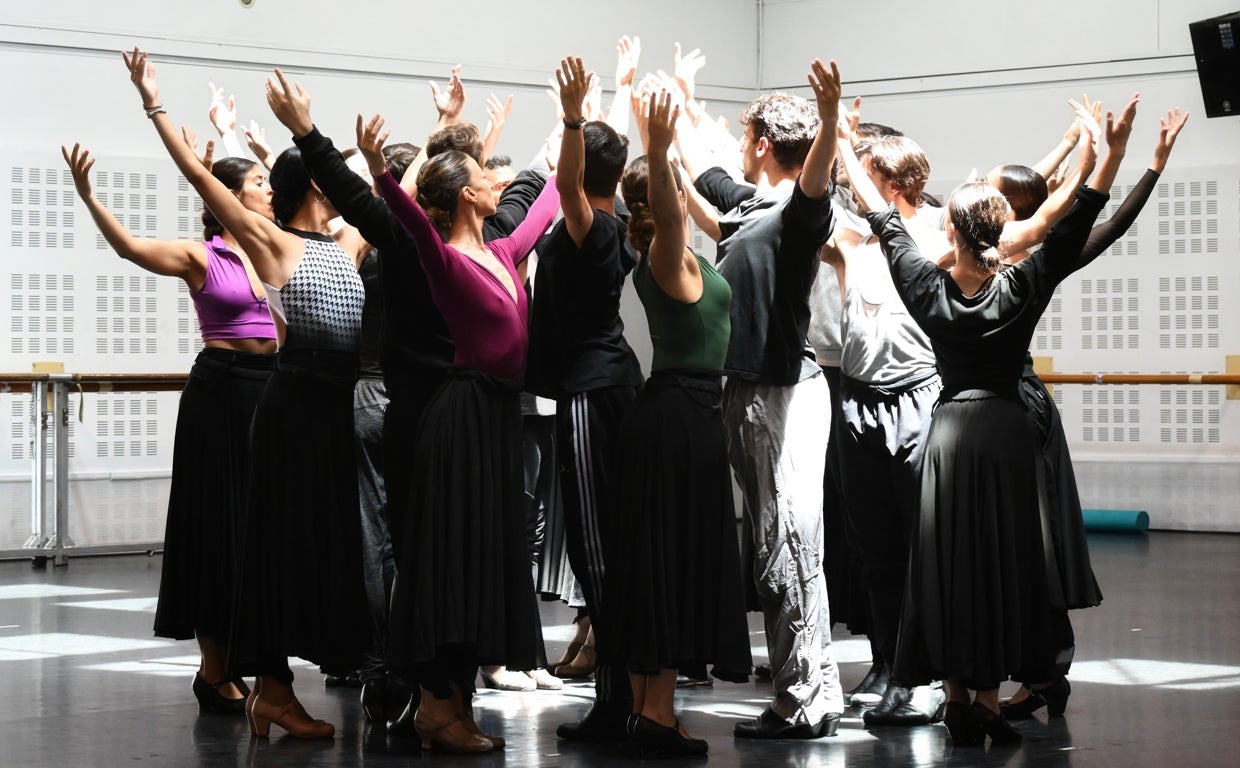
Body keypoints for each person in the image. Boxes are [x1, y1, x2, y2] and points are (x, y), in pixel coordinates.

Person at [846, 93, 1138, 747]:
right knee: (998, 564)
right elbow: (1077, 221)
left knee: (947, 562)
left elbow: (879, 214)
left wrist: (842, 138)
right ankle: (982, 698)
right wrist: (1109, 151)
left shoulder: (924, 287)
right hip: (1004, 431)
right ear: (1000, 232)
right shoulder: (1023, 284)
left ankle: (956, 698)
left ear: (949, 232)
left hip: (948, 433)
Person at [123, 47, 371, 739]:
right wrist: (154, 103)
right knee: (277, 552)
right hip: (290, 411)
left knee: (327, 553)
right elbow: (200, 175)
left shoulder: (347, 241)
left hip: (334, 416)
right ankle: (274, 691)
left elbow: (394, 201)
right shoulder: (271, 241)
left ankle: (301, 683)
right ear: (314, 187)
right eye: (331, 176)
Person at [358, 97, 561, 751]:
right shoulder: (441, 258)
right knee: (453, 560)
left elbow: (549, 201)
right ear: (467, 195)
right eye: (480, 174)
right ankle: (436, 709)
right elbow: (409, 219)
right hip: (461, 420)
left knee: (484, 562)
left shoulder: (502, 249)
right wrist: (378, 169)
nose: (491, 178)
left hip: (496, 418)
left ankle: (456, 704)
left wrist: (582, 121)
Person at [61, 144, 276, 716]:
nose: (271, 188)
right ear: (231, 194)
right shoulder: (200, 255)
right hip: (219, 390)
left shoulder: (273, 249)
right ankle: (213, 669)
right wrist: (89, 197)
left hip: (269, 387)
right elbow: (131, 249)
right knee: (215, 525)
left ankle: (251, 661)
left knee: (259, 528)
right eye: (260, 180)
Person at [993, 105, 1189, 720]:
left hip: (1015, 412)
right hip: (992, 412)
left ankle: (1047, 669)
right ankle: (1037, 671)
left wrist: (1144, 164)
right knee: (1009, 547)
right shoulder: (990, 241)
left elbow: (1098, 222)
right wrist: (1072, 143)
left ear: (1006, 210)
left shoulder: (1027, 258)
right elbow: (1038, 189)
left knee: (1033, 546)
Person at [675, 61, 846, 739]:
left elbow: (815, 183)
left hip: (782, 393)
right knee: (789, 547)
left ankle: (800, 699)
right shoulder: (748, 205)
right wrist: (678, 103)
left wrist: (830, 120)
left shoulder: (796, 214)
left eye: (744, 136)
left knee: (787, 549)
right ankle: (817, 688)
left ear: (760, 143)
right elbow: (700, 163)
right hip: (752, 392)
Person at [604, 92, 752, 758]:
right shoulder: (671, 262)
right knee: (666, 562)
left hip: (676, 415)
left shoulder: (685, 257)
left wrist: (680, 139)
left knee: (654, 559)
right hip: (680, 416)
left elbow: (694, 209)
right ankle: (656, 713)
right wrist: (657, 143)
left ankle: (646, 708)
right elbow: (670, 213)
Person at [525, 56, 646, 743]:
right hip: (607, 385)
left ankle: (616, 697)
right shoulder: (620, 218)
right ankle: (619, 689)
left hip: (591, 394)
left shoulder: (593, 227)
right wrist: (619, 97)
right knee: (606, 545)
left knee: (598, 549)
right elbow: (596, 172)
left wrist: (574, 114)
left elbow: (572, 180)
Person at [820, 134, 948, 727]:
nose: (853, 186)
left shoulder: (936, 234)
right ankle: (891, 668)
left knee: (922, 544)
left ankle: (932, 673)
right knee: (874, 549)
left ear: (892, 184)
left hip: (918, 401)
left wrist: (846, 141)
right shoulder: (851, 242)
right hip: (858, 403)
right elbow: (793, 209)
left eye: (864, 176)